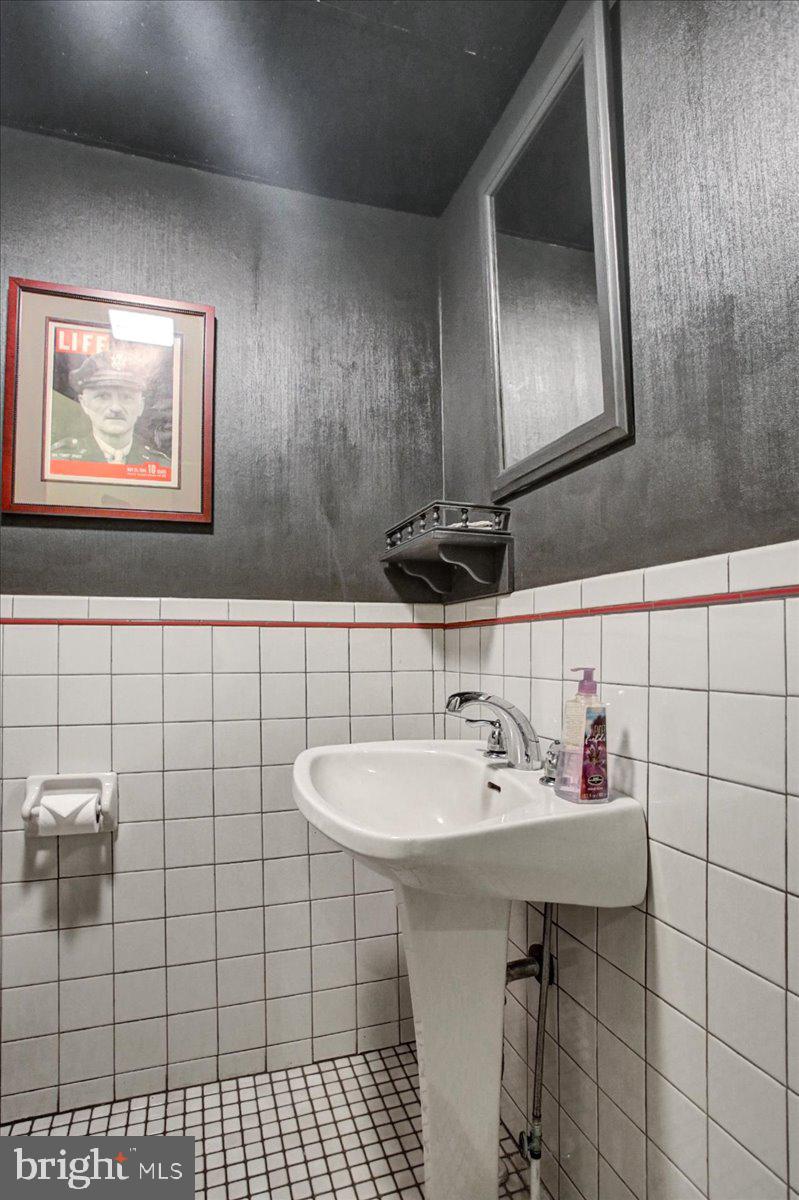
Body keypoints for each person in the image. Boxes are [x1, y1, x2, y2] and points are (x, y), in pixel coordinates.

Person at [50, 348, 170, 467]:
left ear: (141, 406)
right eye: (103, 396)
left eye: (126, 397)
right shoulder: (60, 459)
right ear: (84, 403)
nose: (116, 408)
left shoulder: (161, 465)